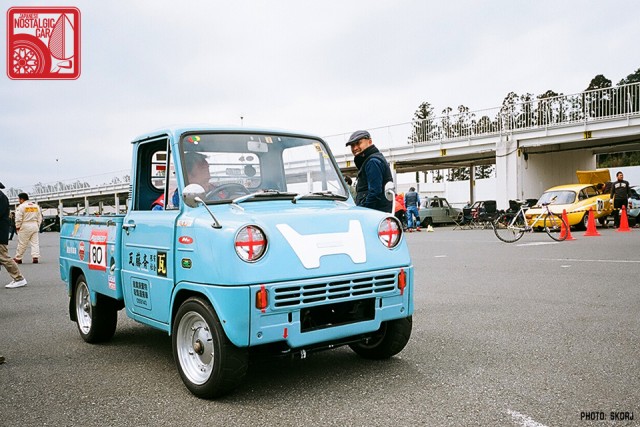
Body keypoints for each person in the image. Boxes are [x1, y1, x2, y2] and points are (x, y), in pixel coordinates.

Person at [345, 130, 393, 212]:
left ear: (370, 141)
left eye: (358, 143)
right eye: (352, 145)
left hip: (374, 214)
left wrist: (365, 211)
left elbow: (375, 192)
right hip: (378, 212)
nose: (355, 148)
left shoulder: (372, 162)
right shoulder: (371, 160)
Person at [0, 182, 27, 288]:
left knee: (3, 256)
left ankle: (19, 278)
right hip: (3, 230)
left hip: (0, 231)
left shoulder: (1, 197)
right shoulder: (2, 196)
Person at [13, 192, 43, 264]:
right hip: (34, 225)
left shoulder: (21, 207)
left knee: (22, 243)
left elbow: (18, 218)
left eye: (19, 199)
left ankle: (18, 258)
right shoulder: (36, 206)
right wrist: (37, 225)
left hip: (25, 225)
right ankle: (35, 257)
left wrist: (17, 227)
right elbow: (40, 217)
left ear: (22, 199)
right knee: (35, 242)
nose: (19, 201)